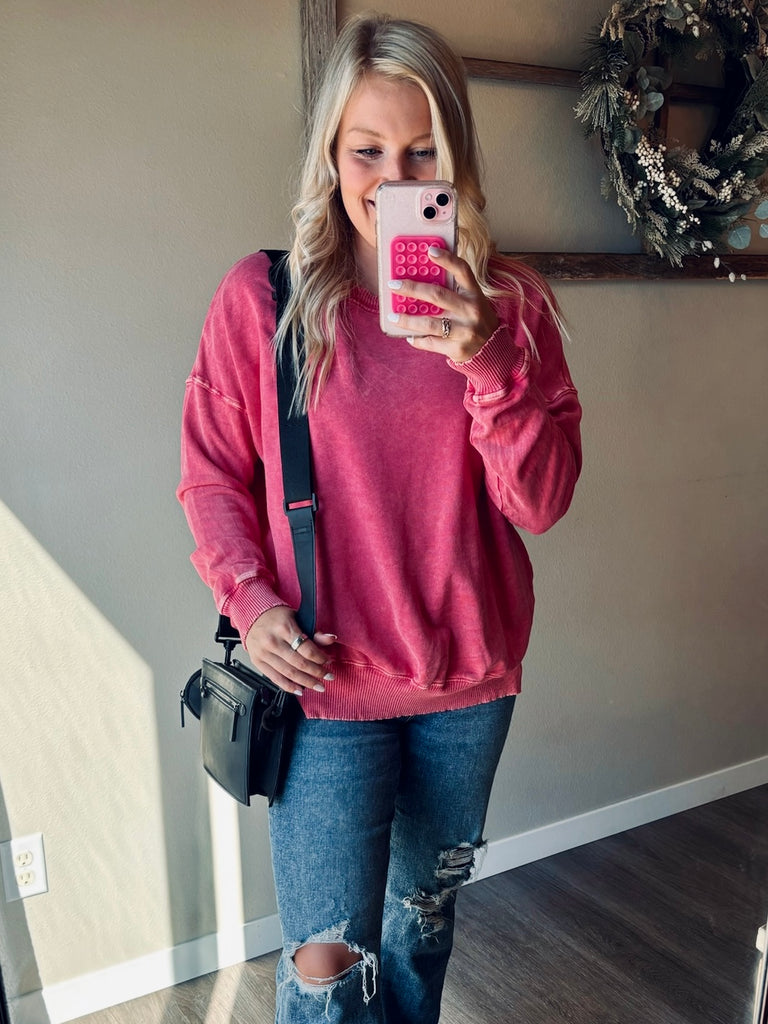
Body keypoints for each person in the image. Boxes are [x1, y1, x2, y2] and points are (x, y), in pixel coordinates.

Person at [177, 12, 582, 1024]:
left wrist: (488, 361)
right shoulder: (263, 300)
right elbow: (213, 475)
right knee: (325, 960)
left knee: (417, 926)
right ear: (331, 154)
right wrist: (251, 602)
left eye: (421, 153)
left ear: (458, 158)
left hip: (467, 684)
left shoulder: (513, 306)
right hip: (324, 683)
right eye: (367, 151)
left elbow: (539, 501)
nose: (393, 179)